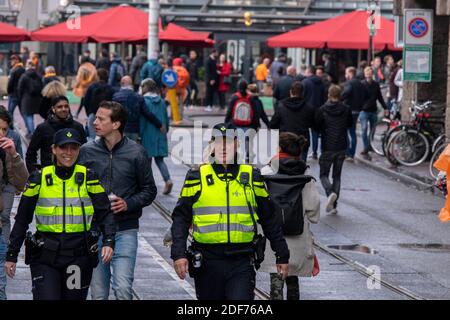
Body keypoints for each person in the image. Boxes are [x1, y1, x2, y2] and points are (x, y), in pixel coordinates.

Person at [171, 122, 289, 300]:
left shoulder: (252, 176)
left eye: (228, 142)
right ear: (212, 145)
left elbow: (269, 218)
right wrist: (179, 254)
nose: (223, 148)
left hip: (241, 261)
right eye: (218, 142)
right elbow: (180, 218)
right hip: (207, 262)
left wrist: (282, 254)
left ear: (237, 144)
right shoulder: (196, 177)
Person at [5, 128, 115, 300]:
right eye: (64, 148)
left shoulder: (89, 177)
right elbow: (22, 219)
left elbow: (105, 213)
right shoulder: (38, 178)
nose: (69, 153)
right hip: (45, 256)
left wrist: (109, 240)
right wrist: (12, 255)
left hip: (78, 257)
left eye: (74, 148)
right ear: (54, 149)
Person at [78, 101, 157, 300]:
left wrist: (128, 203)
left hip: (125, 230)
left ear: (116, 124)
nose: (95, 122)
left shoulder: (136, 152)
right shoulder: (87, 151)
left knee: (122, 289)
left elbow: (149, 190)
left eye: (101, 119)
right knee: (98, 293)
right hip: (95, 230)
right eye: (95, 117)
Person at [260, 132, 320, 300]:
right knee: (293, 279)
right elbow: (313, 208)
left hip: (273, 237)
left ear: (279, 148)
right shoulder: (305, 173)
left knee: (276, 280)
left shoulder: (266, 171)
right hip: (298, 235)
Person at [0, 120, 28, 301]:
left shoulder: (8, 148)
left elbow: (21, 183)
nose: (1, 133)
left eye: (4, 129)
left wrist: (14, 155)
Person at [315, 85, 353, 214]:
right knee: (337, 176)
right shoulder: (346, 109)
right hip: (341, 145)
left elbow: (317, 126)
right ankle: (334, 205)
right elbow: (349, 124)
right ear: (340, 95)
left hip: (327, 145)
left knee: (323, 174)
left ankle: (330, 192)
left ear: (329, 95)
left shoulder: (322, 109)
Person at [26, 96, 87, 173]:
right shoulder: (43, 128)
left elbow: (85, 151)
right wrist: (34, 173)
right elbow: (31, 153)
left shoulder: (78, 127)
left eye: (66, 106)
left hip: (74, 174)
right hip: (49, 175)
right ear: (53, 109)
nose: (63, 109)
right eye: (59, 107)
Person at [140, 79, 173, 195]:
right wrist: (166, 130)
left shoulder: (144, 101)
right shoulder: (162, 102)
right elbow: (166, 119)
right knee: (160, 160)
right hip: (160, 134)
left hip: (147, 135)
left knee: (147, 161)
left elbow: (143, 120)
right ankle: (167, 179)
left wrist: (140, 134)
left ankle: (147, 185)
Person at [270, 82, 315, 162]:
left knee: (285, 166)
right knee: (301, 167)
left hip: (285, 141)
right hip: (302, 141)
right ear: (302, 93)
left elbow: (273, 124)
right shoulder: (309, 108)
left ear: (290, 92)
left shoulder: (281, 106)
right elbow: (313, 124)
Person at [360, 67, 389, 160]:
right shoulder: (362, 84)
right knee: (364, 129)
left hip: (373, 110)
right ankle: (366, 147)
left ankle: (370, 145)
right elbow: (358, 97)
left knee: (372, 130)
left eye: (370, 72)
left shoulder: (376, 85)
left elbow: (380, 97)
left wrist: (385, 107)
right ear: (364, 74)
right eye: (367, 72)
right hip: (363, 110)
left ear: (372, 74)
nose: (368, 74)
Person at [341, 67, 369, 161]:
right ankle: (352, 154)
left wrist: (339, 99)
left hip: (348, 110)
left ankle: (348, 152)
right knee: (352, 132)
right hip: (357, 110)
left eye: (346, 73)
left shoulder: (350, 83)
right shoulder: (361, 83)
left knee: (344, 132)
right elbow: (367, 95)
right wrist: (360, 104)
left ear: (350, 73)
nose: (346, 75)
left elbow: (346, 93)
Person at [301, 66, 326, 160]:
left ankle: (310, 151)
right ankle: (318, 152)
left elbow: (302, 97)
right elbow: (324, 96)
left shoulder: (305, 82)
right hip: (319, 110)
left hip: (307, 110)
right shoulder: (321, 83)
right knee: (316, 132)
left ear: (308, 71)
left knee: (306, 132)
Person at [84, 68, 115, 141]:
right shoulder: (110, 88)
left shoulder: (92, 87)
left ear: (98, 76)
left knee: (92, 137)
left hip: (93, 113)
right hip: (106, 115)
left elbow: (86, 101)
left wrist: (89, 113)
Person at [112, 76, 145, 142]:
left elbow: (113, 113)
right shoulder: (139, 97)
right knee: (132, 149)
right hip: (135, 129)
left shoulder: (116, 96)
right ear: (131, 84)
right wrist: (159, 124)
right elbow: (146, 112)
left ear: (121, 83)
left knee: (122, 149)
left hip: (121, 128)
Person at [18, 60, 43, 137]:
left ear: (27, 66)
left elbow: (20, 88)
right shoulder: (38, 75)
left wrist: (20, 97)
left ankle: (32, 132)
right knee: (31, 116)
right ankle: (30, 131)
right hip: (36, 99)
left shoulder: (24, 76)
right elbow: (42, 86)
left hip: (26, 99)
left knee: (28, 116)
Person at [6, 54, 25, 125]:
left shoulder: (14, 70)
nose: (11, 61)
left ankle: (10, 126)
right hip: (20, 94)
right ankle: (30, 130)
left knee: (10, 112)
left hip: (13, 94)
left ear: (17, 60)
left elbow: (10, 83)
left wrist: (8, 91)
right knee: (23, 113)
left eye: (13, 60)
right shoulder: (23, 69)